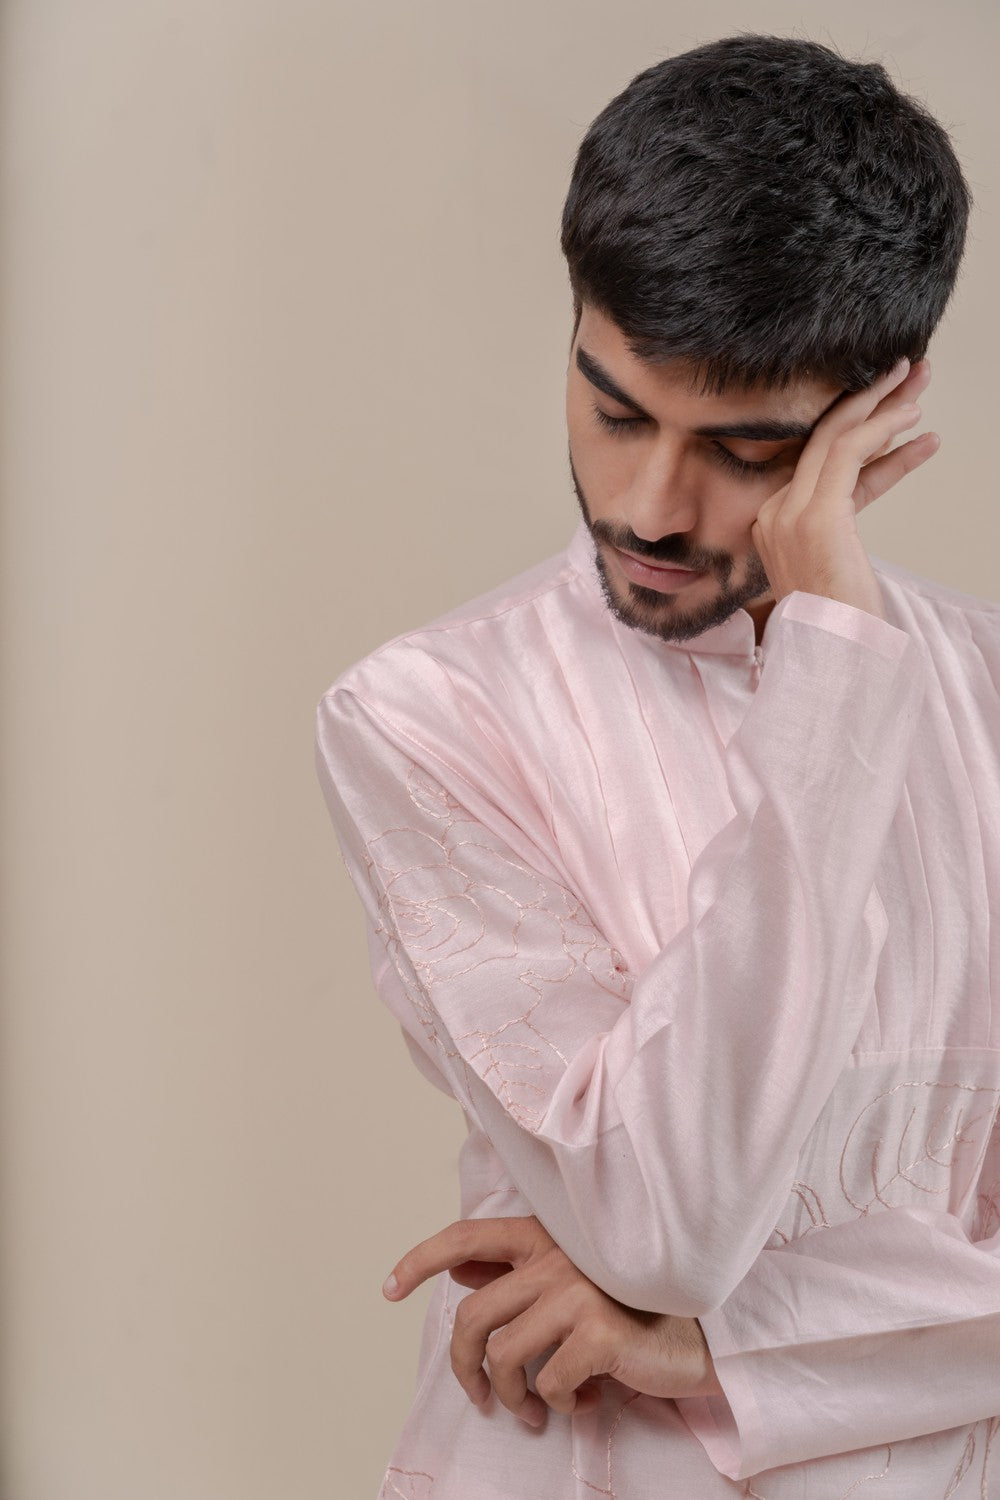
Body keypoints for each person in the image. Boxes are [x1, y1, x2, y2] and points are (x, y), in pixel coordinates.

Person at [314, 32, 1000, 1499]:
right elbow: (667, 1221)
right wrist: (834, 689)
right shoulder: (429, 717)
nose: (650, 503)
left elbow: (676, 1283)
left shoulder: (990, 699)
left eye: (747, 451)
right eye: (615, 407)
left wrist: (721, 1347)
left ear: (882, 407)